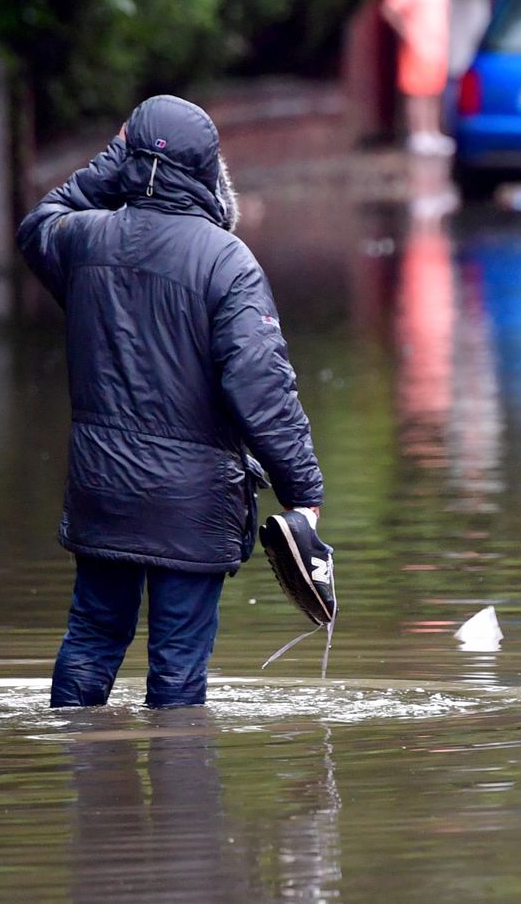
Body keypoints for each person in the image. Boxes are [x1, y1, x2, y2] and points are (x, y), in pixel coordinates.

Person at [17, 94, 327, 709]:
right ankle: (181, 791)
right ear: (211, 169)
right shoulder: (226, 261)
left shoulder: (84, 243)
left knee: (92, 636)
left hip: (102, 490)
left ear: (126, 158)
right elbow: (261, 385)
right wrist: (303, 490)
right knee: (179, 667)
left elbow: (40, 222)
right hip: (190, 504)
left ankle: (82, 779)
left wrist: (123, 157)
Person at [380, 0, 454, 156]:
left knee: (434, 92)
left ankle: (432, 131)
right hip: (417, 47)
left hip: (438, 47)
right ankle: (418, 133)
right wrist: (405, 31)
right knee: (417, 93)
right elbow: (389, 8)